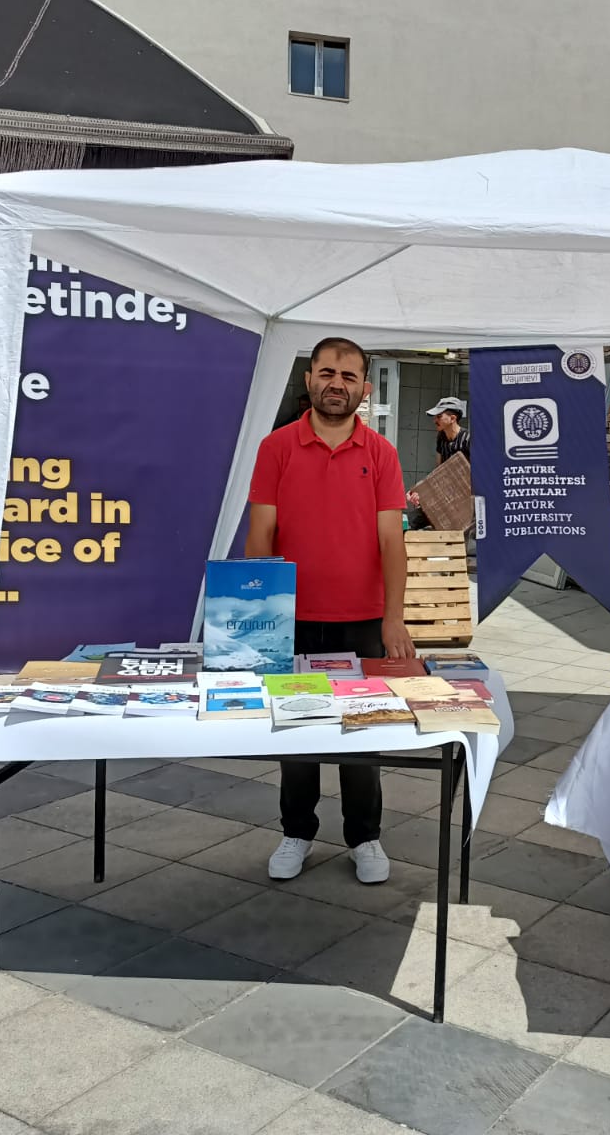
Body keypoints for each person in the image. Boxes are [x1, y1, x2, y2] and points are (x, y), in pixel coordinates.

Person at [246, 336, 416, 884]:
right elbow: (261, 534)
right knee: (297, 735)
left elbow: (393, 540)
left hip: (363, 619)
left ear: (364, 388)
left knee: (361, 736)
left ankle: (365, 837)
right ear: (309, 379)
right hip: (293, 619)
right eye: (326, 373)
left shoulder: (381, 454)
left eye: (347, 376)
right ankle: (296, 831)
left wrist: (394, 617)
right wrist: (259, 615)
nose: (335, 384)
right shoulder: (276, 448)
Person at [427, 396, 470, 467]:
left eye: (439, 416)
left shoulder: (468, 439)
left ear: (452, 418)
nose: (434, 421)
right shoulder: (441, 437)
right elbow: (439, 468)